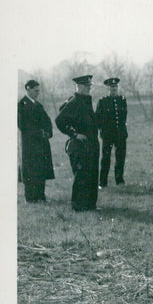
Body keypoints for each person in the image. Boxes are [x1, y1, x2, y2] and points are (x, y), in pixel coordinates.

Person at [55, 75, 99, 211]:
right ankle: (78, 206)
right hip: (80, 147)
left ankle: (90, 205)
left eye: (89, 87)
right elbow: (59, 120)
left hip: (91, 145)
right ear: (78, 87)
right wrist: (74, 135)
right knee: (82, 175)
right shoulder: (74, 102)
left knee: (92, 175)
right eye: (86, 87)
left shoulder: (85, 101)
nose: (88, 89)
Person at [17, 79, 55, 202]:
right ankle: (31, 198)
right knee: (31, 170)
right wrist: (39, 133)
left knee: (41, 169)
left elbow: (47, 120)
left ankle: (41, 196)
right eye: (35, 90)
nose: (38, 93)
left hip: (41, 144)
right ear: (28, 88)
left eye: (39, 91)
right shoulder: (21, 105)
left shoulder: (39, 105)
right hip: (30, 144)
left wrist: (48, 132)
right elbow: (23, 126)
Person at [96, 77, 128, 187]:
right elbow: (98, 119)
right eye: (111, 87)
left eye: (115, 87)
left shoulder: (122, 100)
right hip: (108, 134)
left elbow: (124, 117)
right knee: (105, 158)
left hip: (120, 133)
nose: (113, 89)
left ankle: (119, 180)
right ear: (108, 89)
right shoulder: (103, 101)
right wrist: (102, 131)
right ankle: (102, 182)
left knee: (120, 157)